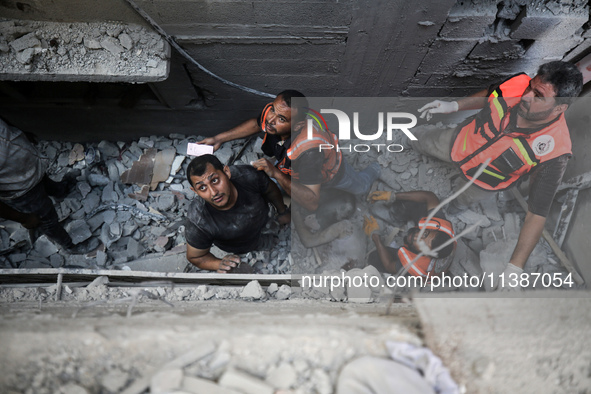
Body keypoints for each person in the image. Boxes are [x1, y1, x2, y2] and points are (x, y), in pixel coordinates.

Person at [413, 61, 583, 285]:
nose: (526, 96)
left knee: (461, 202)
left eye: (539, 95)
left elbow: (537, 214)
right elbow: (489, 95)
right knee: (426, 141)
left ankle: (451, 209)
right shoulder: (518, 84)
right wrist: (453, 106)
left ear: (560, 107)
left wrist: (515, 267)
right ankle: (411, 141)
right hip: (458, 143)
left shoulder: (555, 151)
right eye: (531, 87)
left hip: (482, 184)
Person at [198, 90, 380, 211]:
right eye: (273, 112)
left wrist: (276, 173)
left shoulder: (310, 152)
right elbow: (257, 124)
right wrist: (219, 138)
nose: (271, 120)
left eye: (282, 119)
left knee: (361, 187)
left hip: (331, 173)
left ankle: (377, 168)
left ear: (298, 124)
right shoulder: (274, 113)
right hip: (294, 168)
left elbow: (312, 202)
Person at [0, 117, 98, 255]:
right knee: (47, 219)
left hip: (32, 166)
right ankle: (69, 246)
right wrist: (24, 218)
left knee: (46, 183)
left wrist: (18, 134)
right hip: (21, 189)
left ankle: (60, 190)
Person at [184, 154, 289, 273]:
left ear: (227, 172)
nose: (213, 192)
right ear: (195, 191)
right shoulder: (198, 219)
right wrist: (218, 264)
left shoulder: (248, 176)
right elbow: (195, 256)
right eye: (202, 188)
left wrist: (282, 211)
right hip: (240, 246)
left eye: (215, 180)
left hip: (264, 220)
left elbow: (271, 190)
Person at [364, 190, 455, 278]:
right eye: (425, 234)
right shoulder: (442, 227)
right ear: (433, 230)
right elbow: (429, 196)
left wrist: (375, 236)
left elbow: (389, 265)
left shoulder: (416, 266)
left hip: (423, 266)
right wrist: (392, 195)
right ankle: (394, 217)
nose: (417, 236)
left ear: (426, 255)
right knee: (420, 203)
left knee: (375, 258)